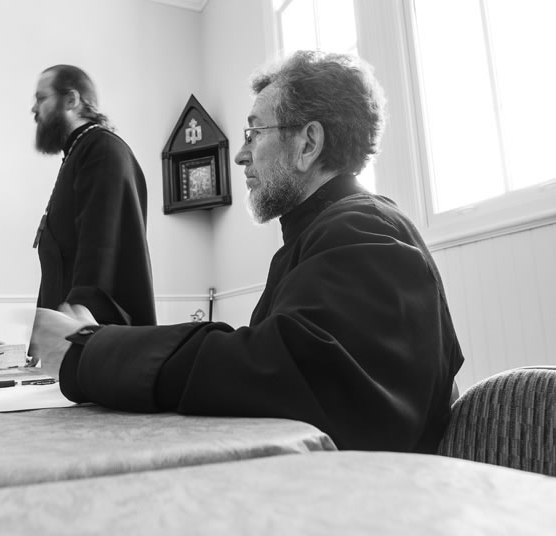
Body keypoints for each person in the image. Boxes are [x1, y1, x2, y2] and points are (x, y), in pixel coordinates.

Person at [30, 51, 465, 453]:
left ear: (308, 144)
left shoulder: (366, 231)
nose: (240, 155)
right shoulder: (322, 235)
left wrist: (91, 350)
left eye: (254, 133)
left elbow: (270, 371)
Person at [29, 64, 156, 330]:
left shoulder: (102, 150)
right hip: (69, 332)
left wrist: (78, 319)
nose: (34, 109)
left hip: (94, 334)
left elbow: (102, 246)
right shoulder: (80, 152)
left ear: (71, 100)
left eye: (41, 98)